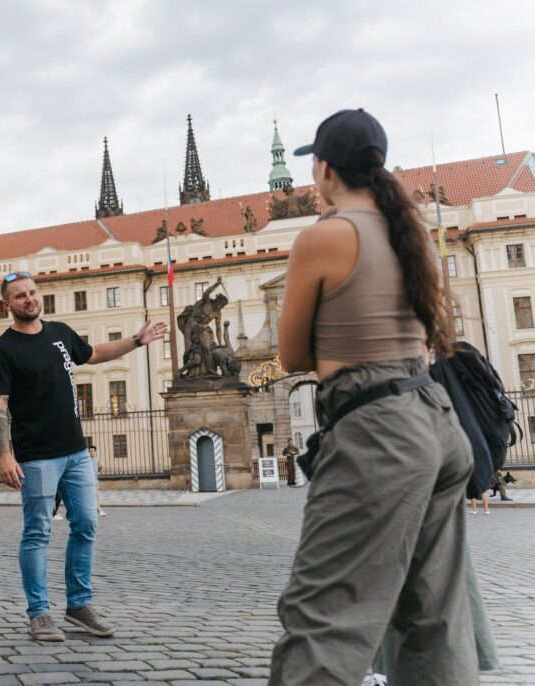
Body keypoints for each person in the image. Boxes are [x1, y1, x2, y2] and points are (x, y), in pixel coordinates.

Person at [268, 109, 479, 684]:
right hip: (436, 425)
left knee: (323, 618)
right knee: (433, 620)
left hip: (375, 433)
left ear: (325, 168)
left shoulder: (325, 237)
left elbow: (292, 358)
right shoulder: (413, 235)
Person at [0, 271, 165, 641]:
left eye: (32, 292)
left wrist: (137, 340)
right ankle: (39, 614)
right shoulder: (3, 350)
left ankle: (78, 605)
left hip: (77, 453)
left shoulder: (60, 333)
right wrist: (5, 455)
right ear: (8, 305)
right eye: (19, 296)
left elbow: (95, 354)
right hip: (35, 458)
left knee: (86, 524)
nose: (29, 299)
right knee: (37, 532)